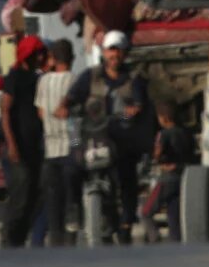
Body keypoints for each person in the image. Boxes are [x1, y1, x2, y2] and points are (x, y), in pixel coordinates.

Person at [65, 30, 155, 245]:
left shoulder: (134, 79)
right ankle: (74, 210)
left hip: (122, 140)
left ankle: (125, 224)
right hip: (87, 136)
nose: (114, 55)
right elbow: (72, 98)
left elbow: (138, 107)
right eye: (111, 50)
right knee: (70, 165)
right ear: (104, 52)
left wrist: (126, 114)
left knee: (127, 177)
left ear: (125, 54)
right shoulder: (90, 76)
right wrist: (65, 106)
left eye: (118, 51)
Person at [0, 36, 49, 246]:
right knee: (21, 190)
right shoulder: (15, 77)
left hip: (35, 146)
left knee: (36, 192)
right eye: (38, 53)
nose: (42, 57)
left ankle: (19, 237)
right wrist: (11, 144)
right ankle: (9, 235)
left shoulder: (38, 78)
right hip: (18, 147)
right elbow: (5, 111)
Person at [38, 40, 79, 247]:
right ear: (72, 58)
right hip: (72, 146)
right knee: (72, 196)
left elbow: (41, 112)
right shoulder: (75, 80)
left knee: (53, 200)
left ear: (52, 59)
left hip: (50, 148)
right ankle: (71, 234)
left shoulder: (43, 81)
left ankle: (55, 239)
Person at [140, 106, 197, 243]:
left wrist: (155, 156)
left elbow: (157, 154)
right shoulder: (187, 133)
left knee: (145, 212)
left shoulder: (164, 134)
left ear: (164, 118)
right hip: (183, 177)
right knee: (174, 215)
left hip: (167, 178)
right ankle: (175, 243)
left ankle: (154, 237)